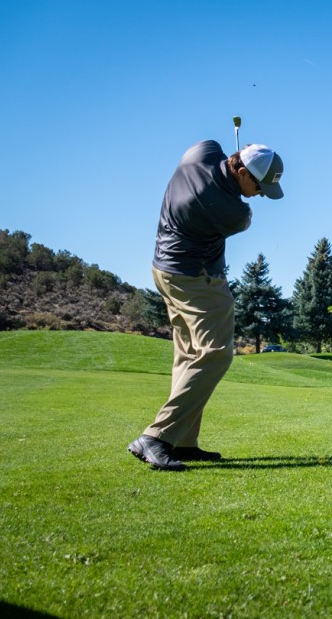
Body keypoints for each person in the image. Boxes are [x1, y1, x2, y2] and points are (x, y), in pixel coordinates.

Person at [128, 139, 284, 471]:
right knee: (215, 354)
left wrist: (231, 172)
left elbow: (206, 146)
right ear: (241, 171)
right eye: (258, 186)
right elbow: (245, 218)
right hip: (194, 278)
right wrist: (233, 188)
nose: (259, 194)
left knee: (188, 355)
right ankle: (156, 436)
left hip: (164, 269)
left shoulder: (202, 155)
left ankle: (182, 442)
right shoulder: (232, 211)